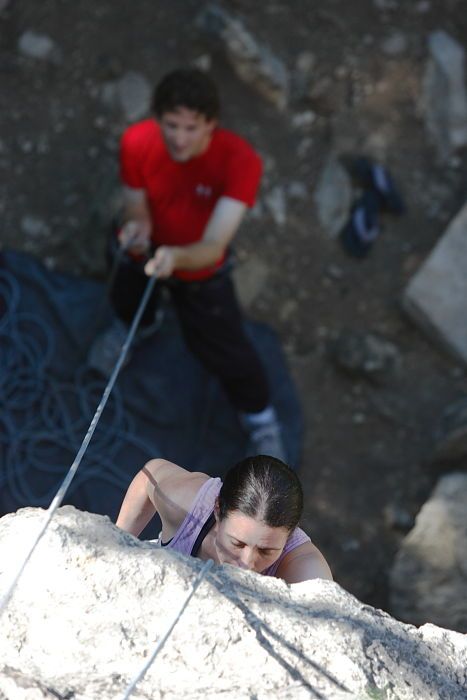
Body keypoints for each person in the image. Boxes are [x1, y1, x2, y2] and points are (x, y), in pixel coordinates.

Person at [89, 68, 285, 460]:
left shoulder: (240, 161)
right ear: (157, 118)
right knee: (126, 290)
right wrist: (138, 229)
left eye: (191, 127)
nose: (179, 138)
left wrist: (175, 258)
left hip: (198, 267)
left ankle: (261, 419)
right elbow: (134, 205)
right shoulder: (138, 141)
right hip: (147, 250)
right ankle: (135, 327)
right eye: (171, 125)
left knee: (224, 345)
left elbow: (214, 245)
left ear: (211, 124)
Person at [116, 454, 333, 584]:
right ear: (218, 508)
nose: (247, 563)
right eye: (237, 543)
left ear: (291, 532)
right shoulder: (185, 505)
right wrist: (117, 542)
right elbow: (150, 474)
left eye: (266, 551)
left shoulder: (305, 570)